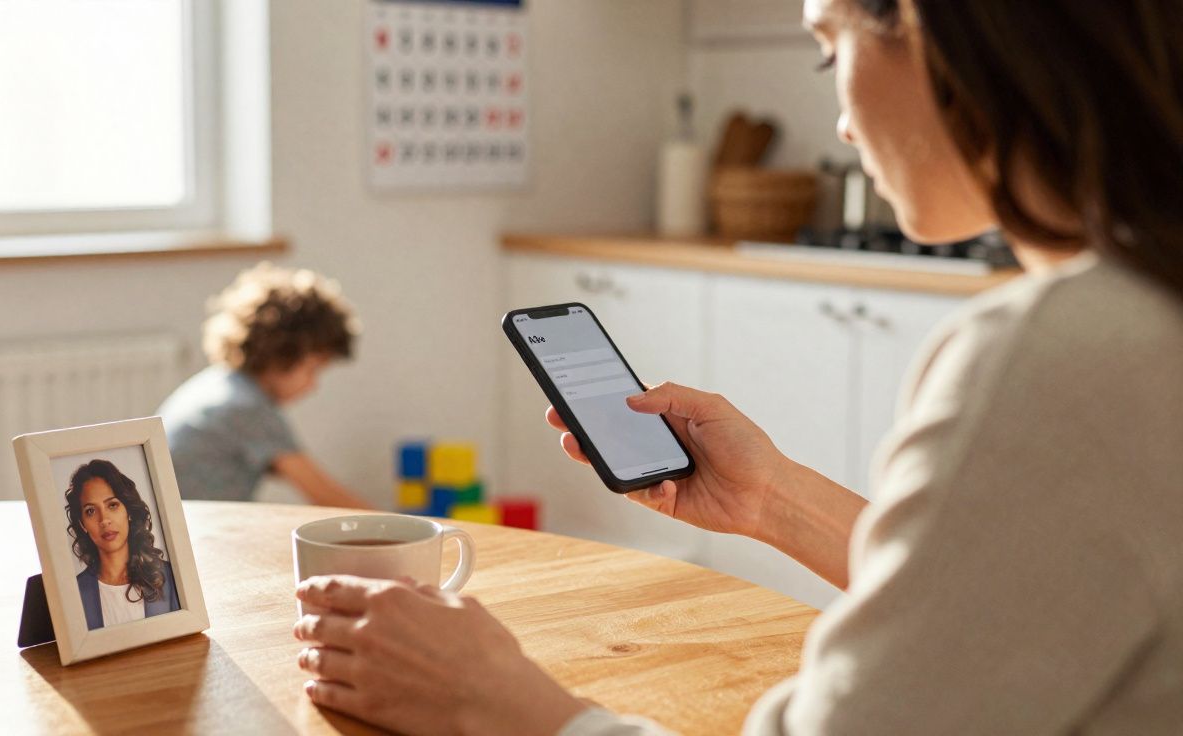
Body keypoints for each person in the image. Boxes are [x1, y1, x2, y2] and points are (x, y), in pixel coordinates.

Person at [289, 0, 1183, 733]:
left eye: (830, 52)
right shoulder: (1146, 311)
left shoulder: (1055, 355)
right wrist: (772, 498)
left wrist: (503, 703)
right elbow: (1005, 600)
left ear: (936, 31)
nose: (841, 122)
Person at [159, 262, 373, 508]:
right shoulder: (246, 407)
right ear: (282, 353)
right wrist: (398, 526)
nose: (313, 386)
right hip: (194, 528)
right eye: (312, 369)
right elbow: (326, 496)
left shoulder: (219, 385)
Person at [65, 459, 180, 629]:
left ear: (129, 511)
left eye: (112, 505)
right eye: (90, 511)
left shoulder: (172, 577)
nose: (104, 520)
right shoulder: (73, 594)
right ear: (83, 524)